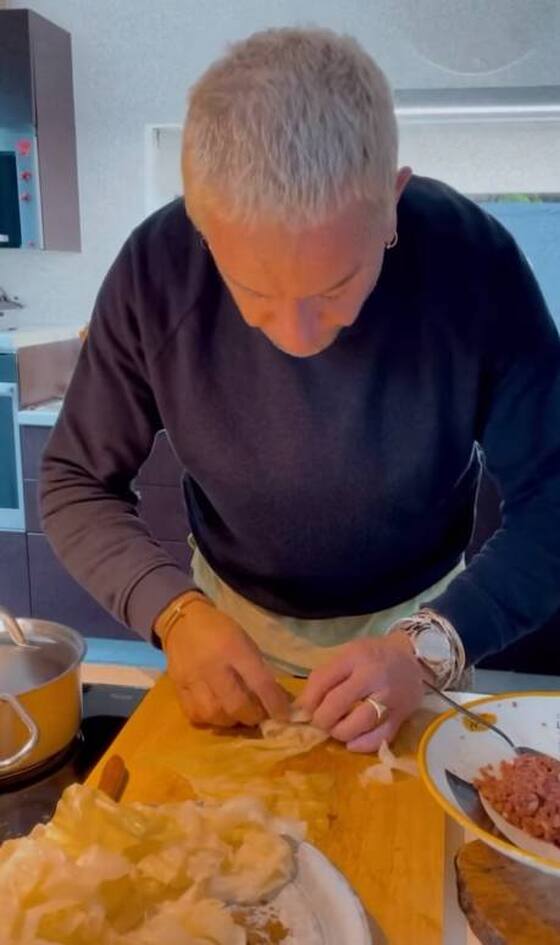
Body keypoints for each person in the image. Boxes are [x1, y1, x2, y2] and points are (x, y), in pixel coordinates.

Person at [41, 28, 560, 753]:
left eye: (337, 285)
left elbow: (552, 504)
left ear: (391, 202)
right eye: (254, 290)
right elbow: (74, 481)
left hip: (428, 623)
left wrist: (431, 645)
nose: (299, 334)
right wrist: (174, 613)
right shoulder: (156, 272)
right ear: (201, 225)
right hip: (228, 628)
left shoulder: (475, 264)